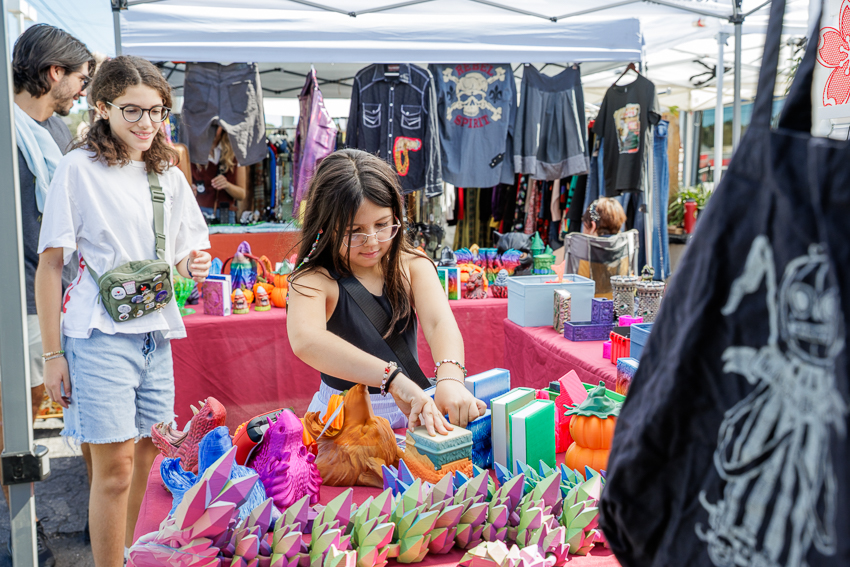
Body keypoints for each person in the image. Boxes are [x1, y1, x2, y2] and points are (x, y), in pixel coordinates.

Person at [35, 55, 211, 567]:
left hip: (155, 335)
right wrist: (52, 355)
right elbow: (51, 267)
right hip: (97, 334)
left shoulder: (168, 173)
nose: (147, 124)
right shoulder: (77, 168)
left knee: (150, 461)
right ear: (102, 107)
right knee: (113, 469)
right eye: (132, 111)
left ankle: (135, 557)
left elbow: (182, 253)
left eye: (158, 112)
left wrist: (191, 263)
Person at [287, 149, 486, 435]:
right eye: (354, 231)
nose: (372, 241)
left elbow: (438, 322)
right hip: (342, 418)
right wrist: (392, 379)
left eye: (382, 225)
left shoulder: (413, 265)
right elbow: (307, 340)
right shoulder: (313, 280)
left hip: (412, 409)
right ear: (326, 227)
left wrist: (451, 379)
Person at [4, 23, 95, 566]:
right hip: (14, 300)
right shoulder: (4, 130)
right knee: (11, 422)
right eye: (79, 78)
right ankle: (18, 530)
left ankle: (91, 519)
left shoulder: (58, 135)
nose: (82, 89)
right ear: (52, 73)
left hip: (63, 297)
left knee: (72, 412)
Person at [190, 126, 248, 224]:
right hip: (198, 214)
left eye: (216, 126)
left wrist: (227, 185)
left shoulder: (235, 153)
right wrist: (191, 189)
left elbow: (242, 194)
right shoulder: (191, 152)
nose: (212, 130)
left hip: (226, 214)